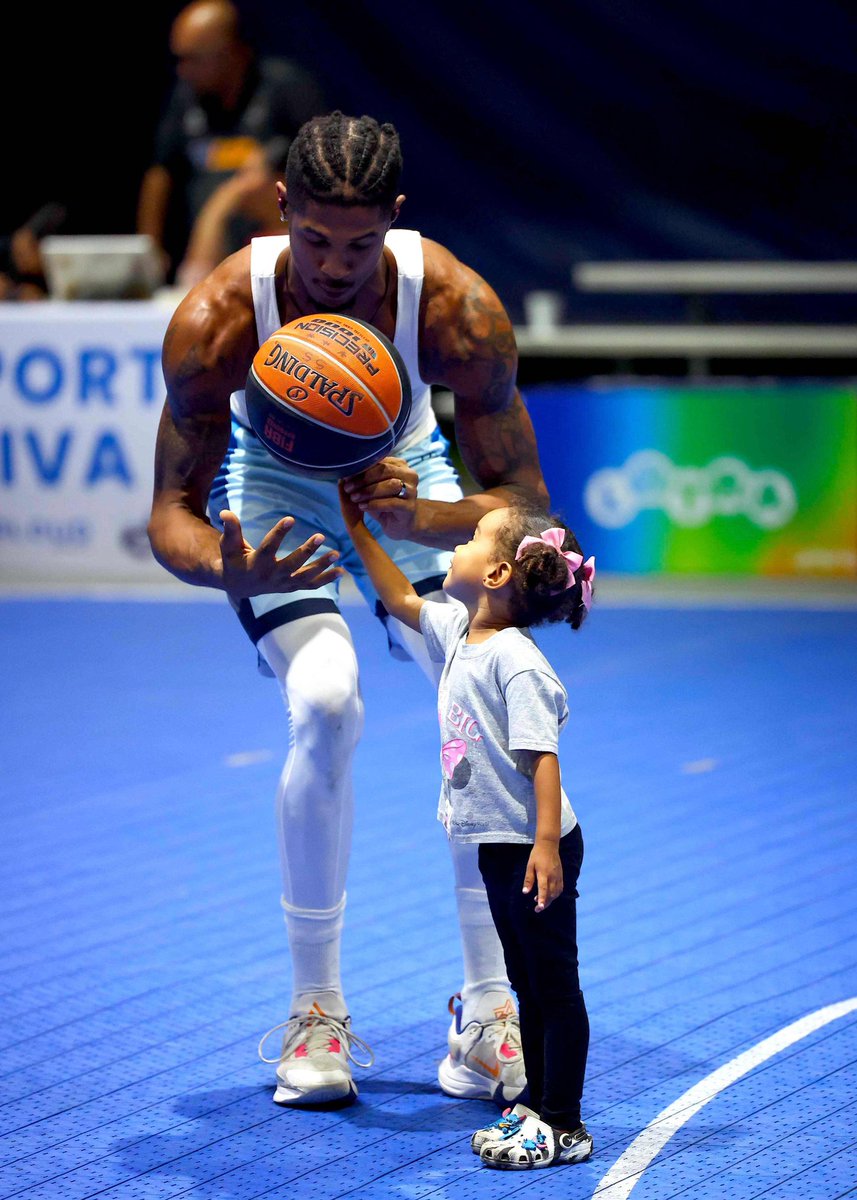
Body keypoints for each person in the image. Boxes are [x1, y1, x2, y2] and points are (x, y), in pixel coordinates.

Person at [148, 110, 550, 1108]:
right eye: (316, 241)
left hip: (401, 487)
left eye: (359, 244)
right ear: (280, 210)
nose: (334, 266)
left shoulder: (456, 311)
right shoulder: (216, 323)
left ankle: (488, 1012)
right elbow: (170, 512)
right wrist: (225, 571)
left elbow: (529, 509)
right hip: (276, 508)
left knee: (484, 695)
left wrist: (431, 512)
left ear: (394, 222)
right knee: (327, 703)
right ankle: (314, 1015)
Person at [337, 490, 594, 1169]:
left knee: (553, 986)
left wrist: (544, 847)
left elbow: (543, 760)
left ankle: (564, 1124)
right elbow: (399, 601)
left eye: (476, 533)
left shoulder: (516, 661)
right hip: (498, 845)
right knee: (523, 982)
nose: (461, 538)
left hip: (537, 847)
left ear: (498, 573)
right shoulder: (459, 630)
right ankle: (537, 1104)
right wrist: (356, 533)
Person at [137, 0, 325, 279]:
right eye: (179, 59)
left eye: (194, 59)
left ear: (231, 52)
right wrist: (148, 252)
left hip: (276, 261)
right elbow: (160, 175)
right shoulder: (185, 99)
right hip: (201, 260)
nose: (183, 70)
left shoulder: (286, 90)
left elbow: (325, 171)